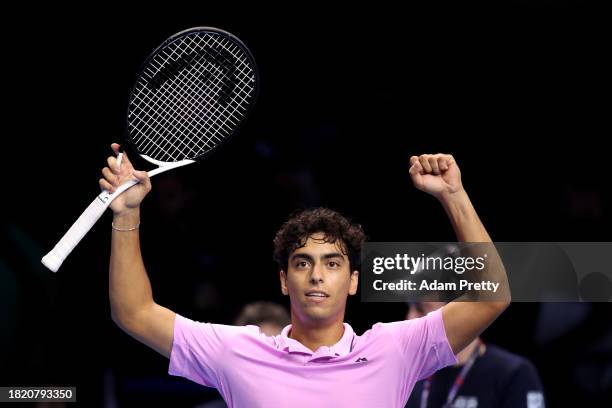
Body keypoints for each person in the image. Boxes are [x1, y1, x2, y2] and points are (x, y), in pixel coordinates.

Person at [101, 144, 510, 407]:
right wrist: (128, 213)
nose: (317, 275)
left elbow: (493, 297)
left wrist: (454, 196)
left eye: (332, 263)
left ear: (352, 281)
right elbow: (133, 312)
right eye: (303, 263)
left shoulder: (395, 348)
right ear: (284, 280)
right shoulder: (235, 351)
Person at [405, 302, 545, 408]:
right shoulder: (408, 371)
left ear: (459, 310)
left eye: (421, 309)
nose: (409, 319)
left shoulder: (513, 373)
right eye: (410, 307)